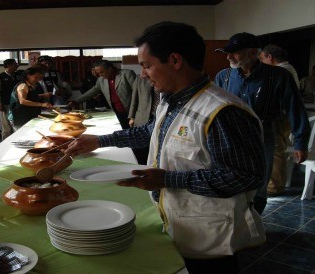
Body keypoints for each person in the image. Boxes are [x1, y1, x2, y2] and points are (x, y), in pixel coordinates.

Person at [65, 22, 266, 273]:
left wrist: (167, 179)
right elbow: (153, 132)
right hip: (179, 222)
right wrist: (100, 140)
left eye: (147, 65)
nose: (142, 74)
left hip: (210, 237)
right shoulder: (171, 100)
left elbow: (244, 176)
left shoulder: (223, 111)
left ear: (174, 60)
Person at [214, 33, 310, 213]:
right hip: (229, 137)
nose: (228, 57)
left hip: (262, 135)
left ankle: (255, 225)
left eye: (234, 53)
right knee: (230, 181)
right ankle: (234, 226)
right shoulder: (223, 76)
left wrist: (301, 142)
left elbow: (295, 108)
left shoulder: (278, 76)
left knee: (259, 184)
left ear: (252, 53)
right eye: (227, 53)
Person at [259, 44, 300, 195]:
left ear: (270, 57)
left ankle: (274, 187)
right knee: (277, 149)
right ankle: (272, 183)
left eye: (262, 58)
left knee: (276, 150)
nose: (261, 62)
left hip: (280, 117)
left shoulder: (281, 71)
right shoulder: (289, 68)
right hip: (283, 117)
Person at [68, 60, 136, 129]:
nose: (100, 75)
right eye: (98, 73)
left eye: (102, 72)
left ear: (110, 69)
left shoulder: (127, 74)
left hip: (130, 112)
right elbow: (92, 92)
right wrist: (75, 102)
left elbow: (137, 93)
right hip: (116, 112)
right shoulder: (101, 80)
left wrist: (133, 115)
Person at [128, 74, 158, 165]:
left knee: (156, 143)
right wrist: (132, 116)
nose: (143, 71)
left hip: (160, 115)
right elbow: (134, 97)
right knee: (141, 144)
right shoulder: (140, 78)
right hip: (142, 115)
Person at [0, 59, 20, 140]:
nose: (17, 65)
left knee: (17, 126)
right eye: (15, 64)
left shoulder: (18, 75)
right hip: (6, 104)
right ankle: (5, 145)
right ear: (9, 65)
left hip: (17, 105)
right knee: (6, 128)